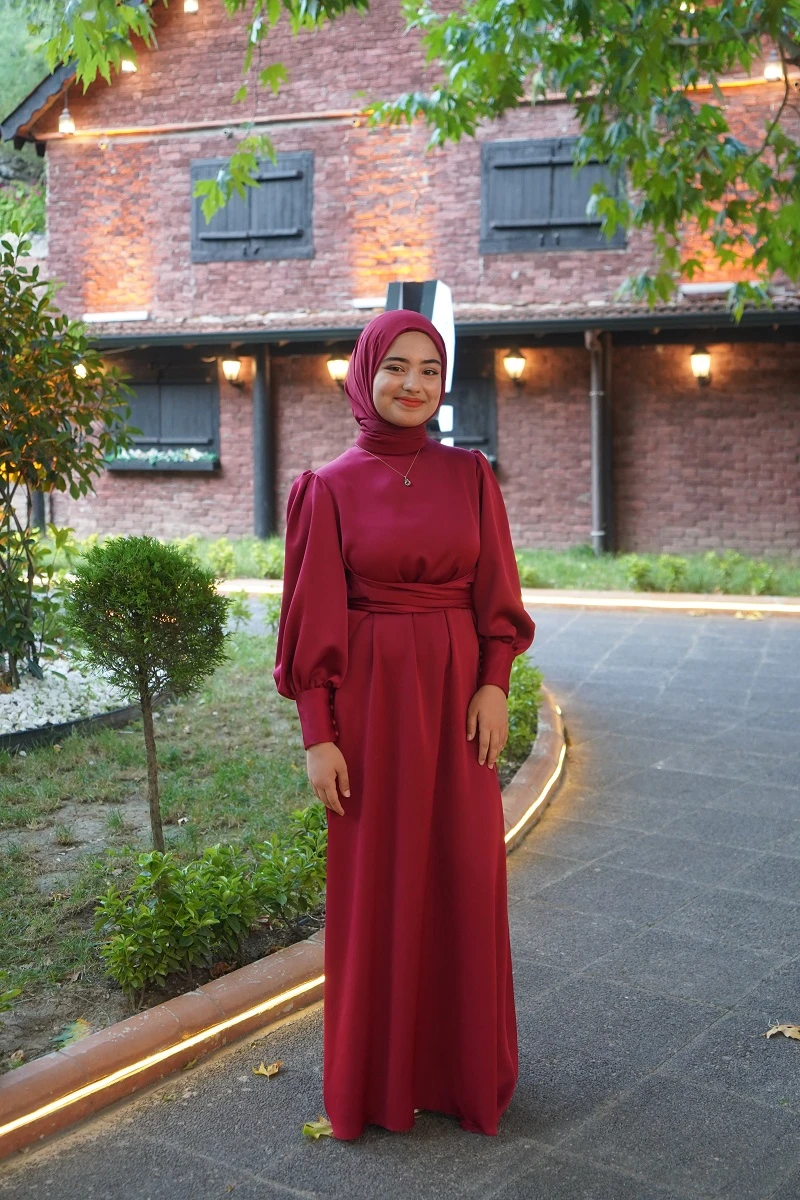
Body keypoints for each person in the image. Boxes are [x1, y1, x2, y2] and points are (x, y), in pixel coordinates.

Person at [273, 308, 536, 1140]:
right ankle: (379, 1082)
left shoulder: (471, 476)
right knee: (377, 887)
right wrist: (319, 734)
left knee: (464, 875)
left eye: (430, 370)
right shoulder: (327, 487)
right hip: (371, 711)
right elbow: (310, 620)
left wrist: (494, 684)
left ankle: (462, 1075)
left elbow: (498, 594)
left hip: (461, 702)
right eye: (396, 367)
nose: (413, 384)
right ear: (365, 374)